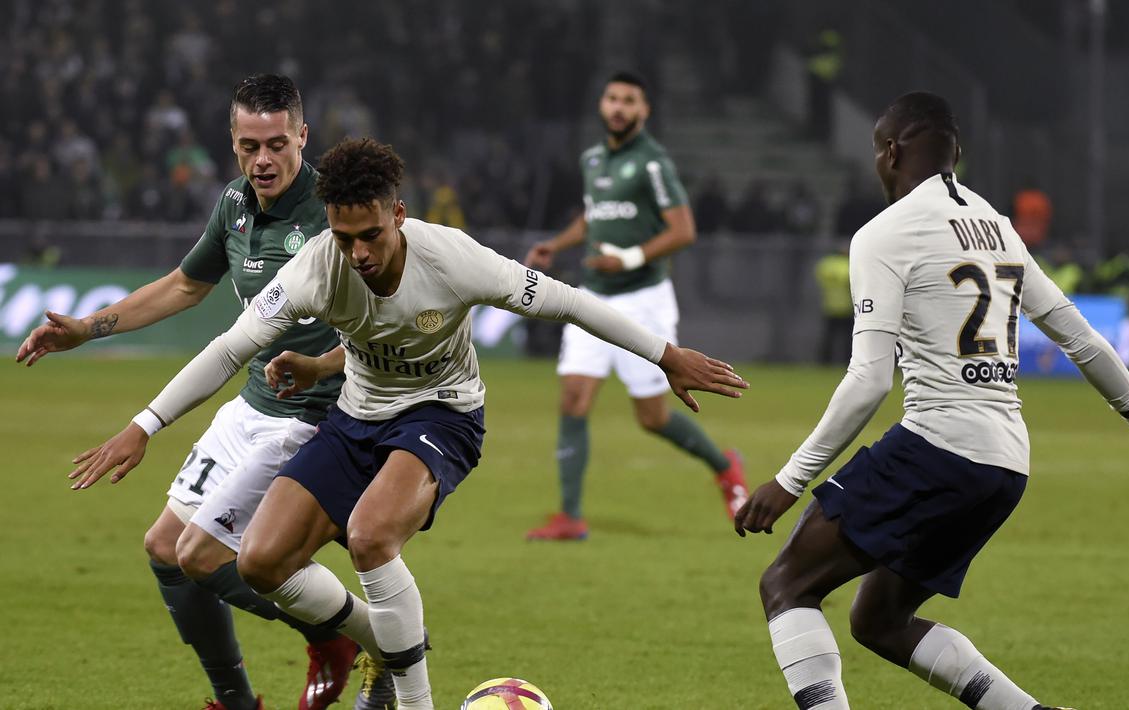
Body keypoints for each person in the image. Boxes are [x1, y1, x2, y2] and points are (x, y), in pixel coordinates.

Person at [67, 137, 747, 710]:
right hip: (356, 417)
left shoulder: (450, 257)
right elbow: (228, 349)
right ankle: (384, 649)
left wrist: (666, 355)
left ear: (397, 214)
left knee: (368, 537)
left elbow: (568, 302)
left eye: (371, 235)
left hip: (441, 418)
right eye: (344, 237)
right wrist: (145, 425)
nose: (359, 253)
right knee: (263, 562)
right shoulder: (318, 267)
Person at [734, 92, 1129, 710]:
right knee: (878, 621)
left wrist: (791, 478)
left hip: (937, 446)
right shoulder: (998, 228)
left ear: (891, 151)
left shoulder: (884, 234)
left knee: (786, 583)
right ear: (954, 153)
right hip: (1004, 467)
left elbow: (868, 381)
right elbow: (1077, 334)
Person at [17, 74, 361, 710]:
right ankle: (235, 701)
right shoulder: (233, 203)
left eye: (277, 144)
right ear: (232, 142)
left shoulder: (333, 214)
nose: (263, 159)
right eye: (249, 145)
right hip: (252, 402)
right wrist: (89, 329)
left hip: (313, 415)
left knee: (200, 554)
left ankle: (339, 636)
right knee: (163, 550)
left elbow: (380, 319)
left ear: (303, 138)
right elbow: (183, 286)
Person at [524, 71, 747, 541]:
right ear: (602, 105)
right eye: (612, 98)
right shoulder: (592, 159)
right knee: (573, 398)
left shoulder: (652, 162)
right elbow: (594, 214)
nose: (619, 107)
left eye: (629, 100)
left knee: (652, 417)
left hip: (643, 300)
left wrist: (629, 256)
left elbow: (684, 230)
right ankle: (570, 516)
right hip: (591, 298)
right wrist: (556, 245)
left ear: (644, 110)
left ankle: (725, 466)